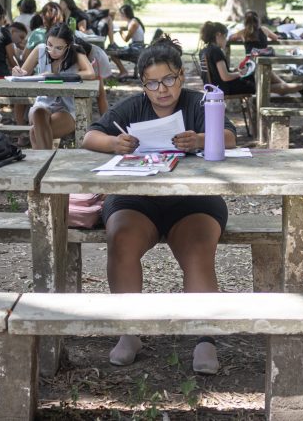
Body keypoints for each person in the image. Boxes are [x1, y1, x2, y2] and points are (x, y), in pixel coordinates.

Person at [82, 36, 236, 375]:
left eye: (168, 79)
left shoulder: (200, 102)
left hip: (194, 199)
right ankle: (129, 331)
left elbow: (229, 137)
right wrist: (114, 143)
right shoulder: (132, 107)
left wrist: (199, 140)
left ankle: (204, 336)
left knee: (198, 249)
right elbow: (89, 136)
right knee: (120, 238)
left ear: (181, 76)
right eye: (152, 83)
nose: (161, 89)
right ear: (143, 85)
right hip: (137, 199)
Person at [11, 23, 95, 149]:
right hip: (43, 103)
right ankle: (48, 164)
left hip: (67, 107)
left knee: (34, 133)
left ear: (68, 46)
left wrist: (56, 76)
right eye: (49, 45)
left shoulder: (76, 51)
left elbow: (90, 73)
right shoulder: (40, 49)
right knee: (38, 113)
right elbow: (22, 74)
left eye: (59, 48)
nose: (52, 51)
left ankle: (44, 164)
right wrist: (18, 72)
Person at [199, 21, 303, 96]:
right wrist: (240, 73)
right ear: (218, 35)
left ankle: (295, 87)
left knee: (264, 80)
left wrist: (236, 72)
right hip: (226, 88)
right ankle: (300, 86)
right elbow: (225, 77)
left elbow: (219, 74)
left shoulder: (204, 51)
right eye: (225, 37)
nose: (226, 40)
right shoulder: (216, 51)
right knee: (264, 84)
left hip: (215, 88)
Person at [108, 4, 146, 79]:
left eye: (121, 14)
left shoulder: (133, 23)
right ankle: (123, 71)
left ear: (125, 14)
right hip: (137, 47)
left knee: (112, 53)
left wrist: (120, 31)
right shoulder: (133, 20)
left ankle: (123, 71)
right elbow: (126, 28)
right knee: (113, 50)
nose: (121, 16)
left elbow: (126, 39)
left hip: (137, 49)